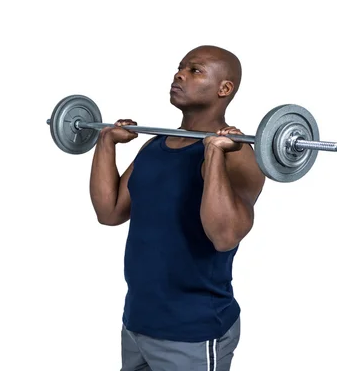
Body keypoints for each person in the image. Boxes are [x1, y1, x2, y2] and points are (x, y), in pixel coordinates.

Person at [89, 45, 265, 371]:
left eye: (195, 70)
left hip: (193, 331)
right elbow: (110, 212)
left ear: (224, 89)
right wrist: (105, 144)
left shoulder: (237, 154)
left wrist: (213, 153)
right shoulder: (155, 146)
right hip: (138, 323)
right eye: (180, 67)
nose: (179, 74)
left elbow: (225, 235)